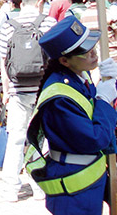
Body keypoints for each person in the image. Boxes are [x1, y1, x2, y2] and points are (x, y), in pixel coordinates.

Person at [28, 16, 117, 215]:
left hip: (87, 182)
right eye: (85, 52)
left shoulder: (78, 76)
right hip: (73, 188)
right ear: (64, 60)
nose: (93, 54)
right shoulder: (59, 98)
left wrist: (111, 83)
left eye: (93, 47)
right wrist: (103, 99)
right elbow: (96, 138)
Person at [0, 0, 56, 202]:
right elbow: (56, 56)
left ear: (23, 4)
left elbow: (3, 62)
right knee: (42, 138)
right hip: (43, 90)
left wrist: (6, 90)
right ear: (40, 3)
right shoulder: (49, 23)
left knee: (15, 138)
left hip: (17, 90)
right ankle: (40, 185)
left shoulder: (9, 25)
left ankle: (11, 188)